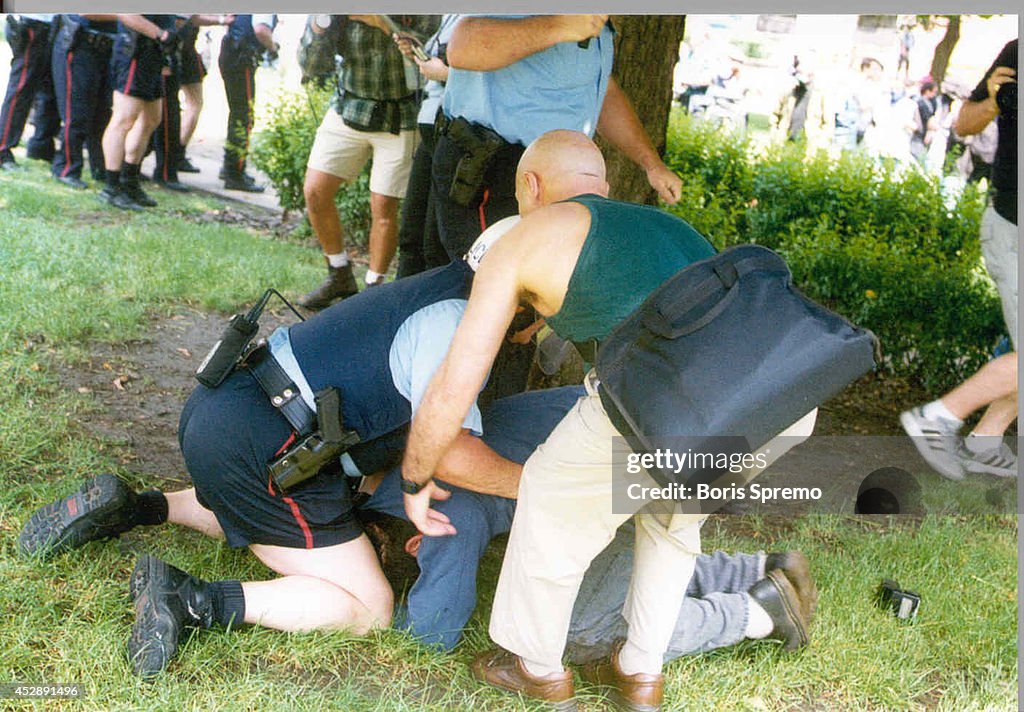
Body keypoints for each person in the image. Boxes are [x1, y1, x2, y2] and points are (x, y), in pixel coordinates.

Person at [400, 130, 817, 710]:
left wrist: (416, 476)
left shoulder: (523, 236)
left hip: (667, 399)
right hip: (776, 402)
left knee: (550, 499)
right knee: (670, 520)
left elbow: (453, 383)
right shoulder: (672, 229)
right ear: (603, 186)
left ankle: (536, 668)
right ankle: (640, 676)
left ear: (531, 185)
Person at [901, 39, 1018, 480]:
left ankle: (986, 441)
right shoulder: (1016, 52)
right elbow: (965, 123)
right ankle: (938, 418)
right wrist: (991, 99)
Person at [296, 14, 438, 310]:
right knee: (315, 191)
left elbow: (431, 63)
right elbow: (311, 65)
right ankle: (339, 275)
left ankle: (372, 293)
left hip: (400, 116)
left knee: (383, 206)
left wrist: (386, 25)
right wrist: (320, 23)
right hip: (349, 106)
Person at [393, 14, 460, 279]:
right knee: (411, 234)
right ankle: (398, 310)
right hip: (431, 125)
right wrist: (418, 49)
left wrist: (444, 73)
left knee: (436, 244)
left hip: (456, 130)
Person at [98, 14, 179, 210]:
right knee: (124, 119)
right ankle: (111, 186)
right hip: (134, 52)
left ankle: (129, 181)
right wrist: (160, 34)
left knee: (151, 119)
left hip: (154, 54)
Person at [151, 14, 233, 191]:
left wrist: (219, 21)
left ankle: (169, 164)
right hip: (165, 49)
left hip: (177, 48)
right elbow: (181, 19)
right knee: (164, 114)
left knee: (167, 113)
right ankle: (164, 169)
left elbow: (187, 17)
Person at [50, 14, 117, 190]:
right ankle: (66, 168)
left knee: (102, 114)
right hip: (79, 43)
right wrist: (127, 16)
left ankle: (101, 167)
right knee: (76, 112)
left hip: (107, 46)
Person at [218, 14, 277, 192]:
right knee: (244, 117)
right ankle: (234, 173)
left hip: (233, 54)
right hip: (241, 57)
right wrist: (274, 48)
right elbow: (261, 31)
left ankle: (231, 166)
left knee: (238, 114)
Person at [0, 13, 60, 171]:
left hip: (45, 23)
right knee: (21, 89)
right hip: (33, 22)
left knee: (45, 88)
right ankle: (2, 149)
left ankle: (41, 146)